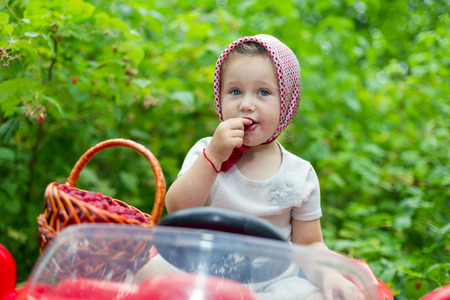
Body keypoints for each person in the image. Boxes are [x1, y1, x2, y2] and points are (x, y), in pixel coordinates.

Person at [164, 34, 363, 300]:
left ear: (287, 104)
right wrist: (213, 157)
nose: (246, 104)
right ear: (219, 97)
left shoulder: (298, 174)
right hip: (201, 274)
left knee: (316, 297)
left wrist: (330, 275)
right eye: (235, 91)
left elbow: (310, 244)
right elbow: (177, 209)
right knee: (149, 270)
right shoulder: (205, 151)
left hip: (270, 286)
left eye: (263, 92)